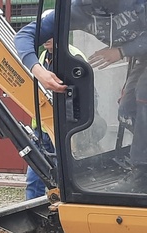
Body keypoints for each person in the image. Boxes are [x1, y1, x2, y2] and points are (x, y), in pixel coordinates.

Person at [14, 0, 147, 193]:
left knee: (146, 95)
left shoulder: (141, 3)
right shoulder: (77, 10)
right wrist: (38, 71)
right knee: (127, 110)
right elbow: (25, 35)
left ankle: (145, 171)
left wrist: (122, 51)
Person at [24, 36, 90, 199]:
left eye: (50, 35)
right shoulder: (41, 57)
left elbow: (85, 94)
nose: (45, 39)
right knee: (34, 178)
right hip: (42, 128)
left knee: (64, 179)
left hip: (64, 130)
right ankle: (32, 212)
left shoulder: (74, 57)